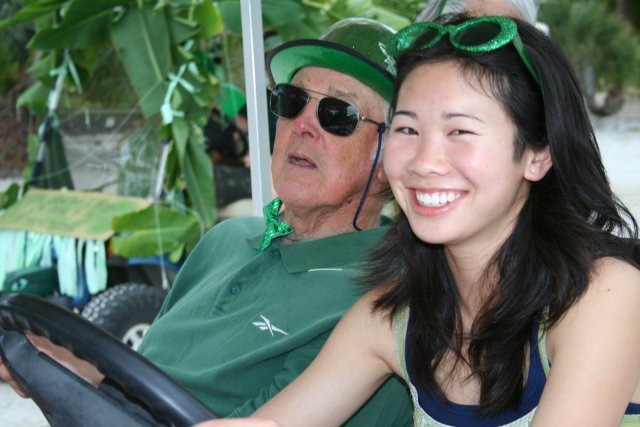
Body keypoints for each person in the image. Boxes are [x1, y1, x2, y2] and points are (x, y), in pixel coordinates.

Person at [198, 14, 640, 427]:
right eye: (408, 130)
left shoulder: (603, 296)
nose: (424, 162)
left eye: (459, 132)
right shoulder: (394, 317)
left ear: (538, 154)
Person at [0, 18, 413, 425]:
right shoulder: (225, 239)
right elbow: (147, 378)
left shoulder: (380, 303)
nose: (302, 124)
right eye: (292, 101)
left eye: (338, 114)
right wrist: (66, 364)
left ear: (388, 160)